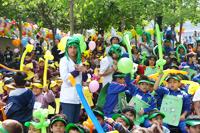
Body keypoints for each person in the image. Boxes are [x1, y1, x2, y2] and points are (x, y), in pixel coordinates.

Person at [59, 36, 87, 123]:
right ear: (67, 48)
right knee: (69, 123)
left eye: (75, 47)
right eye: (70, 47)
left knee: (75, 123)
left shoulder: (79, 62)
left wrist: (84, 71)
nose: (72, 50)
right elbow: (66, 79)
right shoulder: (64, 60)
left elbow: (83, 79)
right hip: (68, 97)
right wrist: (77, 71)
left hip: (78, 97)